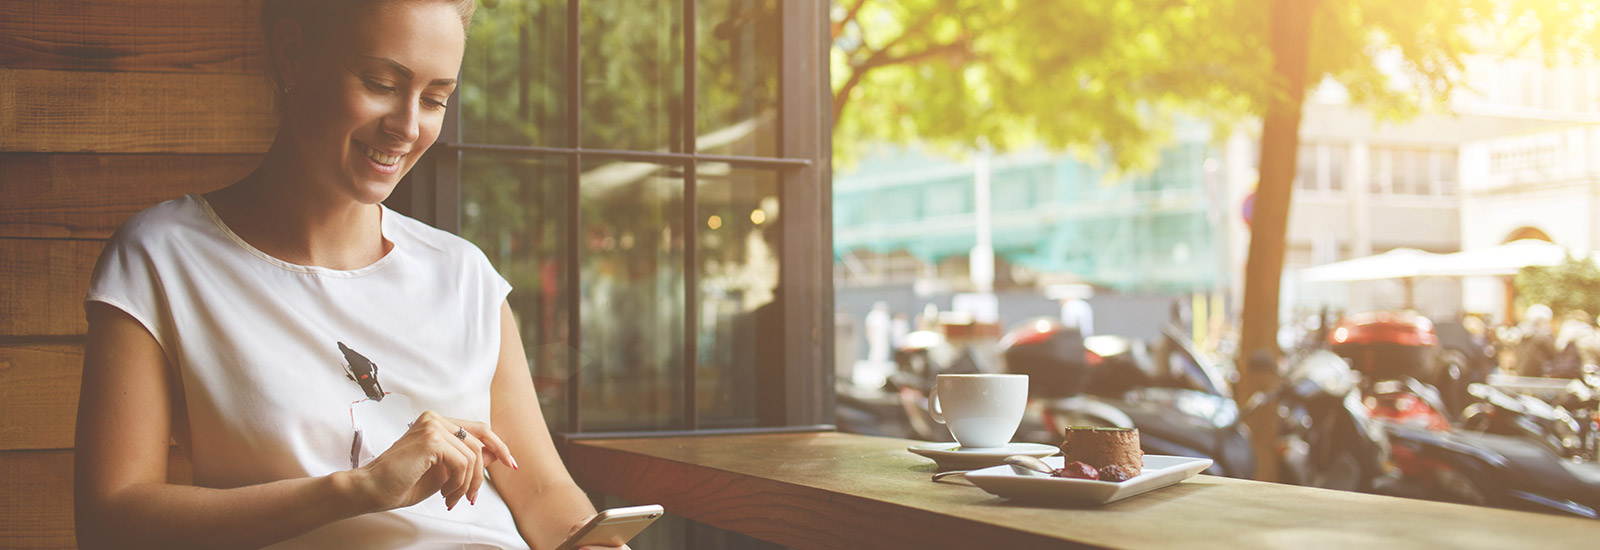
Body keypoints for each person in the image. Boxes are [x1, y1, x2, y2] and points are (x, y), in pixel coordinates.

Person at [72, 2, 623, 548]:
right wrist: (358, 489)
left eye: (435, 99)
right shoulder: (164, 258)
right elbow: (111, 518)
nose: (407, 127)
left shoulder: (465, 274)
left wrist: (598, 543)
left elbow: (544, 491)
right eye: (381, 82)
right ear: (292, 56)